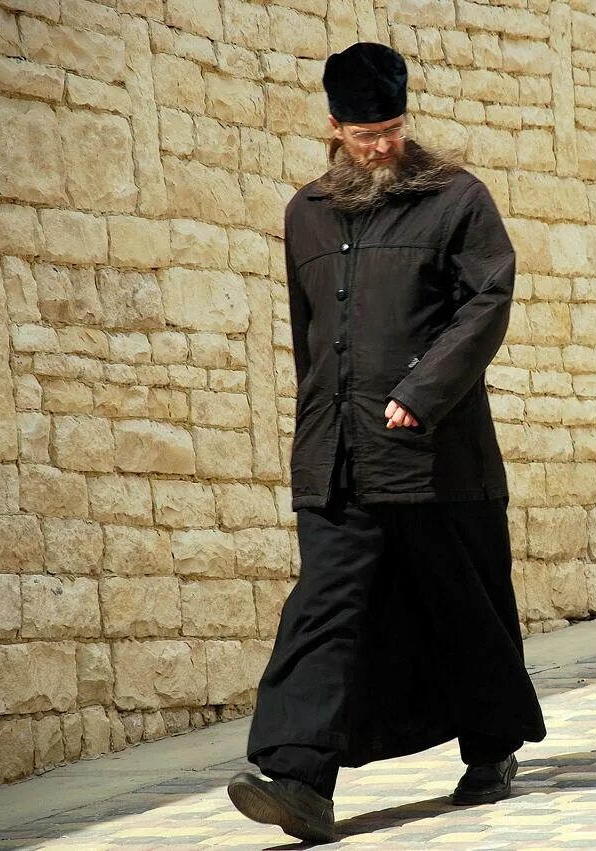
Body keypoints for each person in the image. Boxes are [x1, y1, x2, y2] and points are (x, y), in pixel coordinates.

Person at [226, 42, 546, 844]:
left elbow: (487, 302)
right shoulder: (305, 212)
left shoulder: (456, 199)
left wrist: (421, 391)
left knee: (462, 604)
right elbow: (309, 339)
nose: (381, 146)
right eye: (366, 134)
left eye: (392, 129)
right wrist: (315, 427)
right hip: (336, 457)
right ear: (335, 127)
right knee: (323, 608)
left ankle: (491, 747)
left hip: (438, 459)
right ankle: (298, 779)